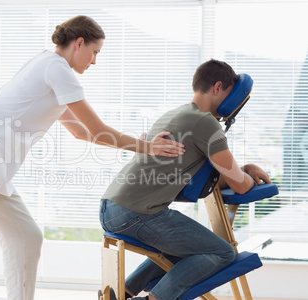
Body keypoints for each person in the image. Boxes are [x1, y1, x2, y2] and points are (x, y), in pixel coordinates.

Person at [0, 15, 185, 300]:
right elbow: (97, 130)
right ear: (79, 43)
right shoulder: (56, 68)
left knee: (26, 235)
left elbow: (81, 132)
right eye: (94, 52)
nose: (94, 62)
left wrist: (141, 144)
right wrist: (148, 147)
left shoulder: (50, 68)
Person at [99, 59, 272, 300]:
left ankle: (121, 293)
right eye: (231, 94)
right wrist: (250, 174)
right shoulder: (206, 123)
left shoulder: (177, 113)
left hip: (112, 207)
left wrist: (244, 169)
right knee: (222, 253)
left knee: (194, 246)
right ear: (218, 87)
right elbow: (239, 184)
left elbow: (206, 179)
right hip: (137, 212)